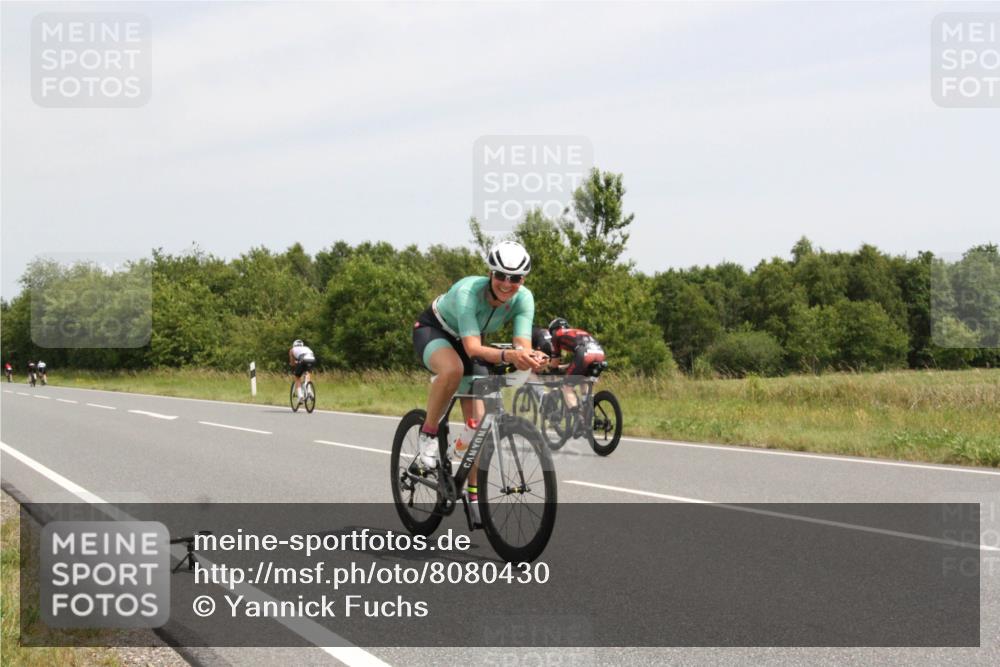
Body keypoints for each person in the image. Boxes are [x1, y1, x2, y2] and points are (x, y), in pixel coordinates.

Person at [412, 241, 545, 524]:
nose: (507, 284)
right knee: (453, 370)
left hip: (472, 341)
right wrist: (510, 355)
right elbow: (473, 349)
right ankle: (428, 434)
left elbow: (522, 344)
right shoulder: (468, 293)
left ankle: (473, 494)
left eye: (516, 278)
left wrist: (529, 358)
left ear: (524, 278)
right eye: (501, 276)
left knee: (479, 426)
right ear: (490, 273)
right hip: (436, 330)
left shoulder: (524, 299)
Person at [288, 339, 316, 404]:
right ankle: (309, 389)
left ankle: (300, 397)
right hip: (312, 359)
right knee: (307, 373)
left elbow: (292, 362)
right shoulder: (306, 347)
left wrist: (293, 365)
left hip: (303, 359)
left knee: (297, 377)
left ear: (294, 345)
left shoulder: (292, 350)